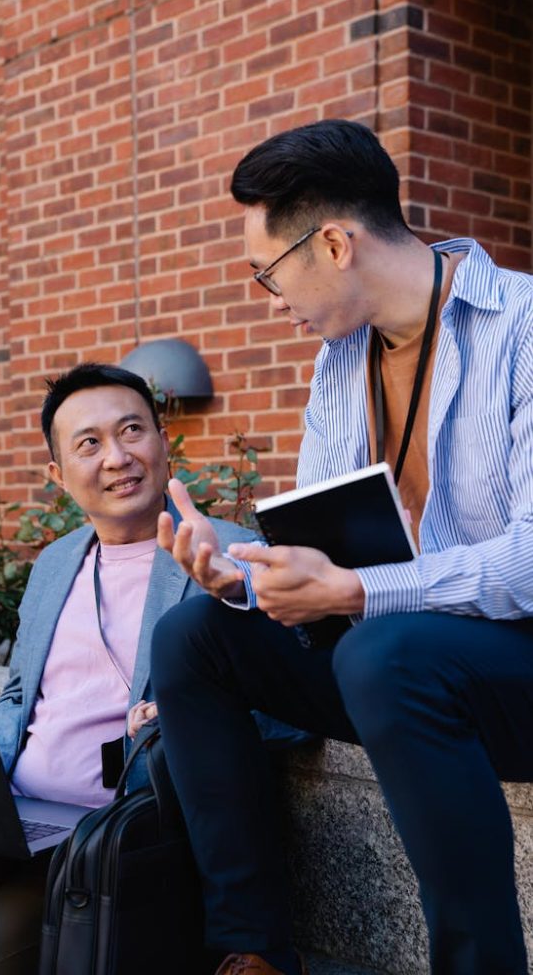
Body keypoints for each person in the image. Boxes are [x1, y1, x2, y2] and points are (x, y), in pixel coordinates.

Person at [150, 119, 533, 975]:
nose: (266, 297)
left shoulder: (526, 328)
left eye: (267, 273)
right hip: (393, 666)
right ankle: (250, 949)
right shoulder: (340, 358)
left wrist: (358, 595)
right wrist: (244, 578)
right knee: (194, 636)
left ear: (332, 242)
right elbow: (320, 544)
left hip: (506, 671)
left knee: (386, 649)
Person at [0, 362, 272, 975]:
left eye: (133, 431)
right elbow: (20, 693)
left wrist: (192, 716)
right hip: (8, 816)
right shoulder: (54, 564)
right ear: (60, 476)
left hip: (103, 840)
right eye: (89, 443)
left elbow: (294, 707)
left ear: (163, 443)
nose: (117, 457)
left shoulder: (228, 555)